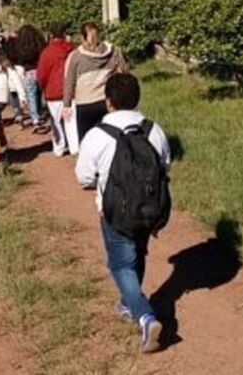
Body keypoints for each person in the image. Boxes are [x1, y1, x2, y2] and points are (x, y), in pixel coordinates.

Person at [75, 73, 170, 353]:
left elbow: (83, 177)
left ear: (108, 102)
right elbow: (165, 164)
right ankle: (129, 304)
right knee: (137, 254)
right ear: (137, 98)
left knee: (120, 264)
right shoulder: (154, 130)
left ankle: (144, 314)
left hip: (115, 211)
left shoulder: (98, 135)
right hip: (150, 209)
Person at [63, 22, 128, 143]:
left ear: (82, 37)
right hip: (107, 101)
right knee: (109, 137)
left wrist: (66, 105)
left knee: (87, 139)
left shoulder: (76, 56)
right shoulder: (113, 51)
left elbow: (70, 81)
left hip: (85, 104)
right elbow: (124, 71)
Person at [38, 22, 78, 157]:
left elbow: (41, 74)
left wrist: (42, 87)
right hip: (71, 90)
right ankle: (75, 147)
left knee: (56, 122)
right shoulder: (72, 49)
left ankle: (59, 147)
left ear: (50, 35)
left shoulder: (47, 52)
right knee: (71, 121)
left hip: (53, 92)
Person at [13, 24, 47, 130]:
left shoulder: (20, 46)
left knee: (31, 96)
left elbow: (18, 58)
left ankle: (35, 119)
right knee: (38, 94)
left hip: (28, 72)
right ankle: (39, 113)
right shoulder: (39, 43)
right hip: (39, 70)